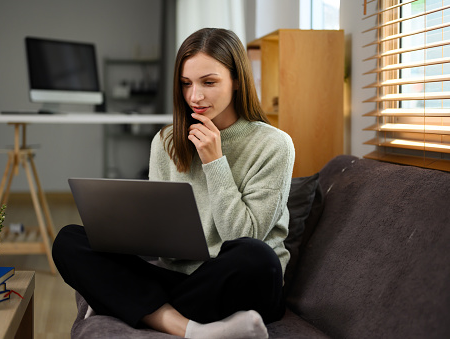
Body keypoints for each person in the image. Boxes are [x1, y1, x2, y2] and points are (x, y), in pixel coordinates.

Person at [53, 27, 295, 339]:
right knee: (69, 240)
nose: (195, 96)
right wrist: (128, 228)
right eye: (186, 84)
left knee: (257, 257)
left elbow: (244, 235)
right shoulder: (165, 141)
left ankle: (126, 304)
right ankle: (190, 329)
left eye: (209, 82)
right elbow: (157, 242)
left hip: (239, 281)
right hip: (178, 280)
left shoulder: (274, 144)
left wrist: (214, 161)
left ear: (237, 80)